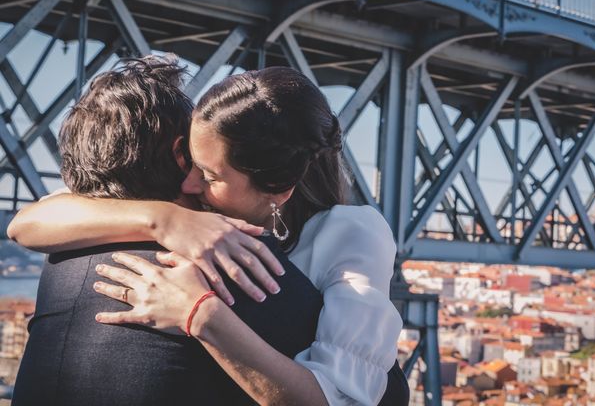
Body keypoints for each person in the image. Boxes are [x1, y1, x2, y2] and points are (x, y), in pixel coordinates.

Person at [9, 64, 407, 405]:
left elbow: (349, 397)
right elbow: (28, 221)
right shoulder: (191, 214)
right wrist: (162, 219)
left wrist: (199, 312)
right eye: (192, 165)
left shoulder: (348, 232)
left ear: (278, 188)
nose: (189, 184)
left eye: (210, 175)